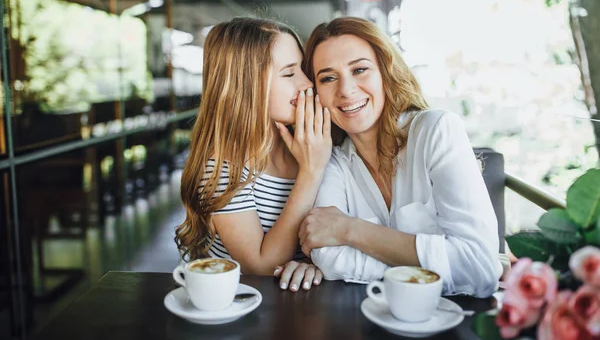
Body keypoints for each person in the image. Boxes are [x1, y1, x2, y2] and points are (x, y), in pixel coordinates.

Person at [298, 17, 502, 298]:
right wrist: (437, 263)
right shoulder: (333, 161)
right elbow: (329, 259)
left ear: (386, 71)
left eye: (359, 70)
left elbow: (478, 268)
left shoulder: (436, 130)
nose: (345, 90)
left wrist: (349, 230)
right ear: (316, 93)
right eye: (328, 77)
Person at [176, 18, 332, 292]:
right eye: (288, 73)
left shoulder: (312, 143)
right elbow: (260, 267)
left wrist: (316, 264)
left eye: (303, 69)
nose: (308, 83)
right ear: (247, 87)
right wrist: (311, 173)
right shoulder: (223, 168)